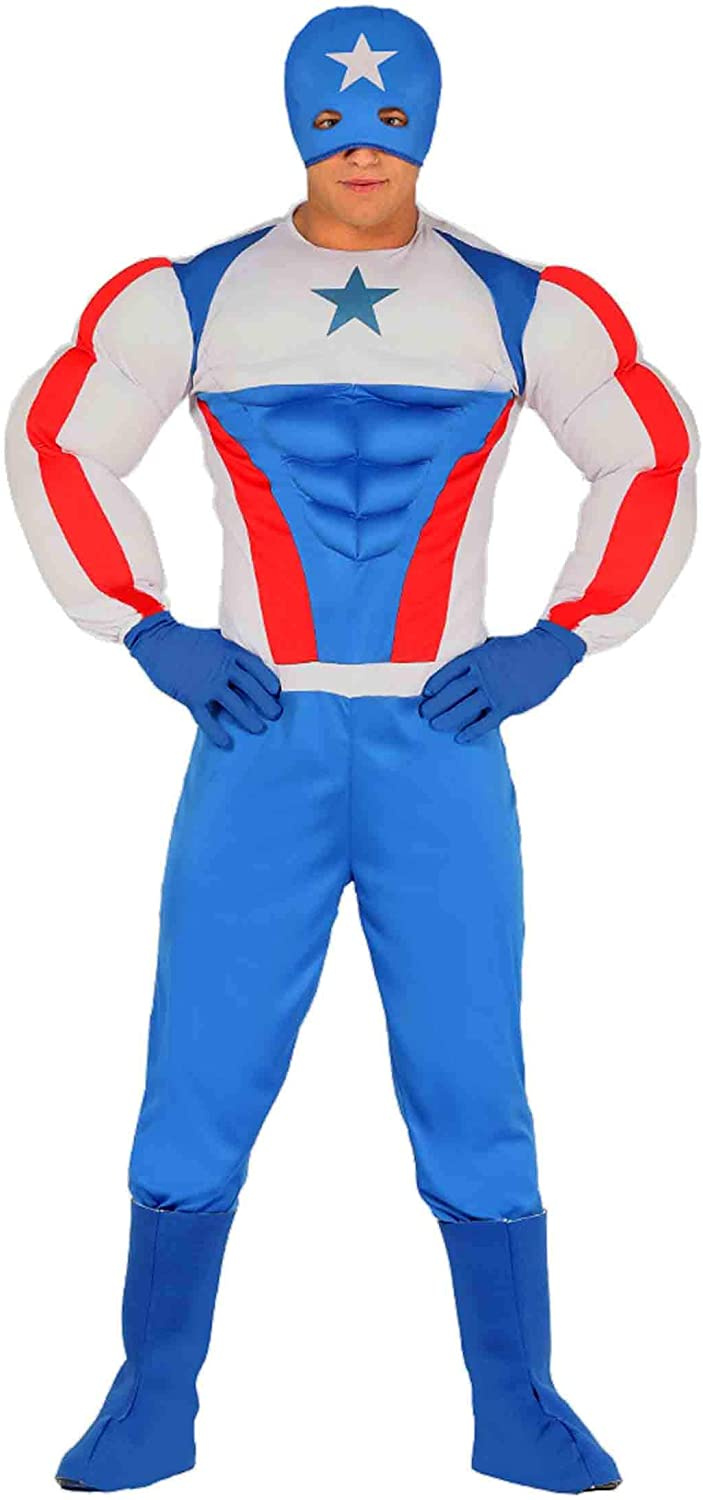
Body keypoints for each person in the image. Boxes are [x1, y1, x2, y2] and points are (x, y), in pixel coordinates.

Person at [5, 5, 696, 1494]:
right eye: (334, 120)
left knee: (472, 1064)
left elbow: (648, 450)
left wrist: (569, 634)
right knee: (200, 1060)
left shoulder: (515, 303)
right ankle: (152, 1398)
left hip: (440, 732)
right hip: (260, 729)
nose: (363, 147)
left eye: (389, 119)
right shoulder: (198, 296)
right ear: (294, 122)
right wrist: (142, 626)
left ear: (428, 123)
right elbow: (58, 436)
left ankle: (516, 1403)